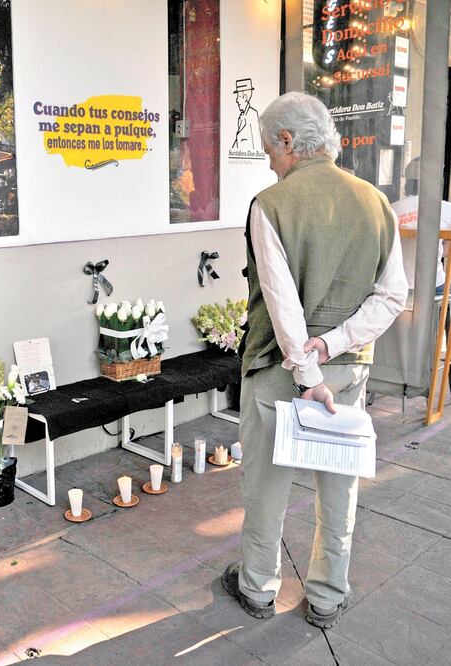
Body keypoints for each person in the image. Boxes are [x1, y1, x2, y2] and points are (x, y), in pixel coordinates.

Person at [221, 92, 408, 629]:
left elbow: (281, 307)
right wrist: (333, 345)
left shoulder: (271, 205)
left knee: (266, 487)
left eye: (268, 151)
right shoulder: (376, 202)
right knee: (338, 487)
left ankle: (257, 587)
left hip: (279, 371)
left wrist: (306, 371)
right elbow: (392, 295)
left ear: (287, 141)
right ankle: (327, 595)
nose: (269, 163)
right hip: (348, 371)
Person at [390, 175, 451, 295]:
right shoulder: (445, 208)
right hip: (434, 284)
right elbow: (446, 252)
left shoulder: (392, 208)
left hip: (396, 284)